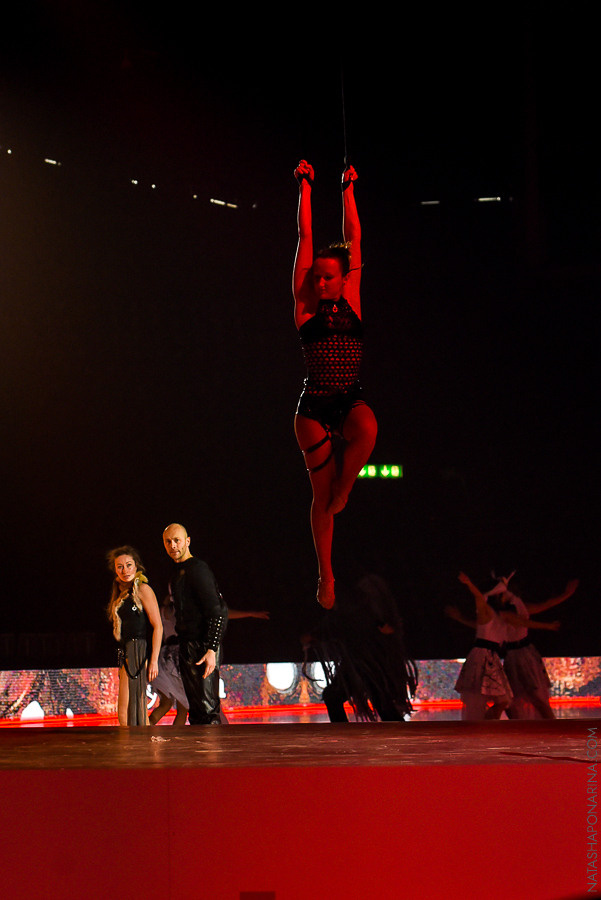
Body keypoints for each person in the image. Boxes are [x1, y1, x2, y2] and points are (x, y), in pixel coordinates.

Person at [293, 159, 377, 609]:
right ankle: (325, 575)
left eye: (330, 277)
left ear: (345, 279)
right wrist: (306, 185)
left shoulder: (353, 298)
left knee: (369, 429)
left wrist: (348, 190)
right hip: (313, 408)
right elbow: (305, 239)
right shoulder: (306, 307)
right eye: (318, 277)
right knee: (320, 499)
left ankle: (347, 486)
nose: (322, 281)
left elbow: (355, 239)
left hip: (348, 400)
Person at [150, 591, 269, 726]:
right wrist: (250, 613)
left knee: (172, 706)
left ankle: (148, 730)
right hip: (177, 662)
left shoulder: (164, 611)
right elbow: (220, 615)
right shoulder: (184, 611)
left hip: (165, 660)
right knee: (186, 706)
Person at [162, 523, 228, 725]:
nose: (173, 545)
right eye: (168, 542)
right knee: (197, 710)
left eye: (177, 540)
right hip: (187, 645)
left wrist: (211, 650)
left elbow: (217, 612)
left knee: (207, 710)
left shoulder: (198, 569)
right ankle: (203, 754)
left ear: (187, 541)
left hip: (202, 645)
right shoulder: (177, 573)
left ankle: (212, 754)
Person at [488, 573, 578, 719]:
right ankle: (522, 728)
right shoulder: (502, 612)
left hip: (522, 654)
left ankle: (551, 725)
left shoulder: (515, 606)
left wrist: (566, 595)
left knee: (531, 694)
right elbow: (521, 621)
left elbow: (541, 607)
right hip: (515, 655)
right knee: (512, 697)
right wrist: (547, 626)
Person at [106, 545, 162, 726]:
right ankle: (136, 747)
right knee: (128, 707)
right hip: (126, 650)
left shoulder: (143, 589)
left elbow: (158, 626)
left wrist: (153, 660)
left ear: (136, 565)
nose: (125, 570)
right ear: (115, 569)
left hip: (138, 649)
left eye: (128, 565)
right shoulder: (121, 593)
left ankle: (134, 747)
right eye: (120, 566)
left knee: (130, 706)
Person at [451, 572, 513, 721]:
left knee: (501, 700)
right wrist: (469, 583)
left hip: (490, 656)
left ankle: (486, 727)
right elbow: (479, 597)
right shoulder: (486, 610)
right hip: (483, 656)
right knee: (497, 699)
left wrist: (459, 618)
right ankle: (485, 728)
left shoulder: (496, 615)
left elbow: (479, 627)